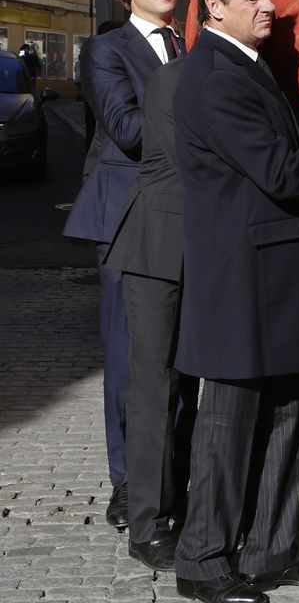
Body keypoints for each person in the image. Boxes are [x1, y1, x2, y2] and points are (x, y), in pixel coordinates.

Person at [170, 0, 299, 603]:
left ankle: (269, 551)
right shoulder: (215, 77)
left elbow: (294, 147)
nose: (269, 7)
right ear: (214, 5)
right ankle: (203, 559)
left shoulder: (250, 69)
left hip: (275, 273)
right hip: (239, 280)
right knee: (229, 425)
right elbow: (282, 171)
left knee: (285, 418)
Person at [64, 0, 186, 531]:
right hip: (125, 214)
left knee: (179, 355)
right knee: (130, 355)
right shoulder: (105, 50)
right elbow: (128, 129)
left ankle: (172, 471)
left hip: (186, 217)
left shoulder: (191, 46)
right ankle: (127, 480)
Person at [103, 53, 193, 571]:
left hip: (204, 250)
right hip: (157, 246)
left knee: (187, 392)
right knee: (154, 387)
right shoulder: (174, 77)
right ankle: (148, 522)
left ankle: (180, 502)